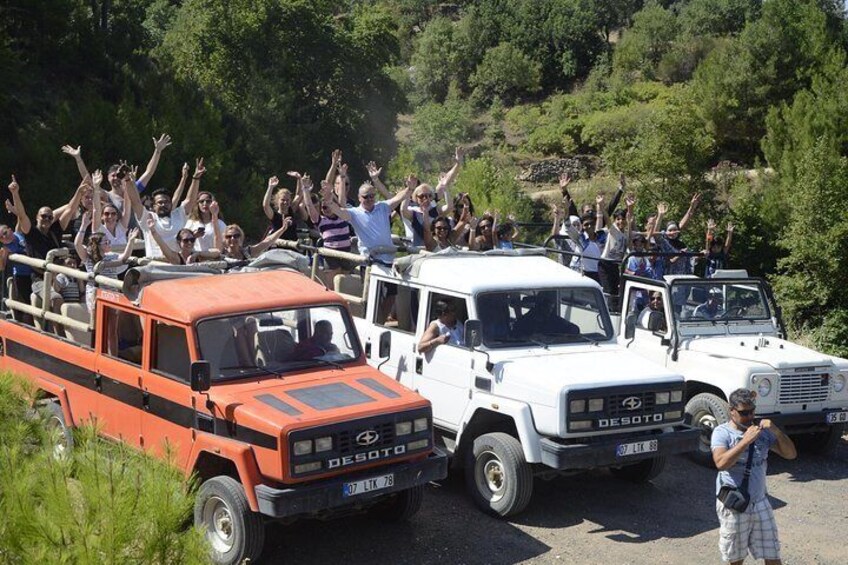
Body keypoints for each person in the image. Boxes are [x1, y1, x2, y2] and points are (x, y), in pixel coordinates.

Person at [711, 388, 796, 565]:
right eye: (744, 413)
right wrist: (745, 441)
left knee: (772, 555)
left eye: (752, 411)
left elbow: (790, 454)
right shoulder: (722, 433)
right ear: (731, 410)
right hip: (735, 503)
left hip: (760, 502)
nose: (750, 416)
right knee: (736, 558)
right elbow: (721, 463)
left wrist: (777, 432)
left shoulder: (762, 433)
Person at [321, 174, 413, 266]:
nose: (369, 199)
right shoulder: (354, 213)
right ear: (359, 198)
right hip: (370, 262)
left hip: (390, 261)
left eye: (372, 196)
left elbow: (397, 198)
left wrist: (409, 189)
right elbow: (339, 211)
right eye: (366, 197)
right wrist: (329, 200)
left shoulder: (383, 206)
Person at [125, 157, 202, 259]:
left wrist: (196, 179)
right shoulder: (148, 217)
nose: (163, 205)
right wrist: (127, 180)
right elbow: (135, 202)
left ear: (171, 203)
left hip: (178, 265)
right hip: (155, 265)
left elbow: (190, 200)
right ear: (153, 206)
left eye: (166, 202)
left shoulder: (179, 215)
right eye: (160, 202)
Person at [74, 213, 138, 312]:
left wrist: (130, 241)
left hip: (112, 293)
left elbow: (124, 257)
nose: (109, 243)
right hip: (95, 294)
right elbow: (77, 244)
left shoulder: (111, 255)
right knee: (97, 320)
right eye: (106, 242)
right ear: (97, 245)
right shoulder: (88, 257)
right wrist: (83, 226)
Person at [512, 291, 578, 338]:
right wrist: (530, 337)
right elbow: (515, 335)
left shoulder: (554, 320)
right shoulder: (525, 321)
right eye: (546, 304)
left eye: (551, 305)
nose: (549, 308)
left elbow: (574, 329)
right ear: (539, 304)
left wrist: (562, 337)